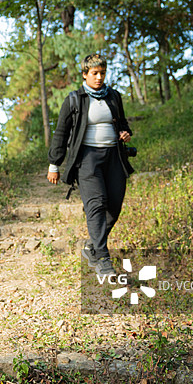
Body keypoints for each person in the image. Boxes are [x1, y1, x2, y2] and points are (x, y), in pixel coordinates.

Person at [46, 54, 134, 276]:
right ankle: (103, 260)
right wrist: (54, 164)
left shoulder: (113, 96)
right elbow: (60, 133)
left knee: (114, 206)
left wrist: (125, 133)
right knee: (96, 204)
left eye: (102, 73)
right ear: (85, 75)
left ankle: (92, 246)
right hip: (87, 159)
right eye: (94, 73)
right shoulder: (74, 100)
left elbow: (122, 123)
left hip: (113, 156)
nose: (99, 77)